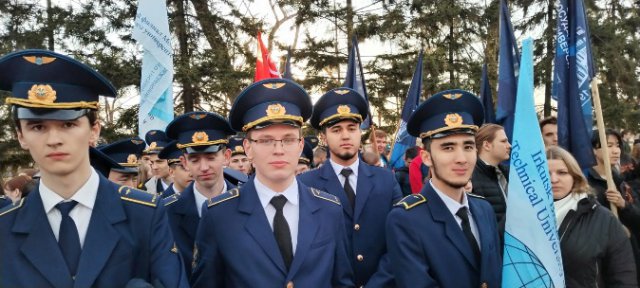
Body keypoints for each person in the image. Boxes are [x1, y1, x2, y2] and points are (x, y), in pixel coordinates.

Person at [0, 49, 186, 287]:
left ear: (94, 131)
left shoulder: (145, 216)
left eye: (68, 124)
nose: (53, 139)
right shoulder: (4, 230)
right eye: (37, 127)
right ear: (20, 136)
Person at [192, 78, 353, 287]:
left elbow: (342, 282)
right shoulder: (219, 214)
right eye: (266, 140)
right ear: (248, 147)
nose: (279, 150)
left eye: (288, 139)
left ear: (300, 144)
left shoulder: (329, 208)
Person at [386, 90, 502, 287]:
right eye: (448, 147)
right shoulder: (406, 220)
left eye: (468, 146)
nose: (461, 158)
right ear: (426, 157)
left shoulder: (484, 209)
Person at [298, 87, 402, 287]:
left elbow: (398, 239)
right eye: (336, 130)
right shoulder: (305, 184)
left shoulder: (386, 180)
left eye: (352, 128)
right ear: (323, 137)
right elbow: (308, 249)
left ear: (360, 133)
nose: (345, 136)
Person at [547, 146, 637, 287]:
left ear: (575, 176)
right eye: (546, 173)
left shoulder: (603, 219)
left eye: (562, 172)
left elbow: (623, 276)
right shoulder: (521, 218)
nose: (553, 179)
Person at [162, 111, 236, 282]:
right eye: (194, 159)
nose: (204, 167)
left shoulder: (250, 204)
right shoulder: (166, 212)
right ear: (184, 162)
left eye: (210, 157)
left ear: (226, 157)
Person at [471, 123, 510, 227]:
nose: (509, 145)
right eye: (503, 141)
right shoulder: (470, 177)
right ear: (487, 145)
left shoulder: (508, 173)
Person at [144, 130, 173, 195]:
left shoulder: (189, 184)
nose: (154, 167)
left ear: (172, 160)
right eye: (152, 162)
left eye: (159, 162)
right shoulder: (144, 189)